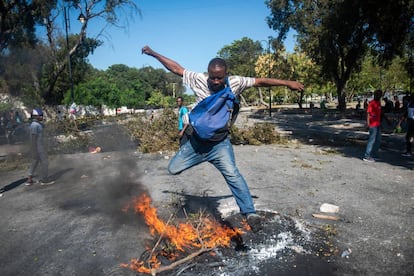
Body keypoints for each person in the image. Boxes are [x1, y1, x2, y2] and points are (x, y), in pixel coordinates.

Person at [141, 45, 304, 232]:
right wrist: (153, 53)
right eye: (213, 77)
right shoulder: (198, 80)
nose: (216, 81)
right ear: (207, 73)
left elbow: (260, 81)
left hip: (220, 145)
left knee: (233, 175)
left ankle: (250, 213)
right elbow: (176, 68)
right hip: (196, 144)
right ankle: (201, 157)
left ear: (226, 74)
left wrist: (287, 83)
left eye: (220, 77)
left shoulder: (235, 82)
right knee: (173, 169)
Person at [26, 108, 54, 185]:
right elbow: (33, 138)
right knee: (45, 162)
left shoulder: (37, 124)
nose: (42, 117)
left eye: (42, 115)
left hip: (39, 146)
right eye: (40, 115)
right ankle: (44, 179)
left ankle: (29, 179)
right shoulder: (35, 125)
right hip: (38, 147)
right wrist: (34, 150)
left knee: (35, 162)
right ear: (35, 116)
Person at [363, 89, 384, 162]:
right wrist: (368, 124)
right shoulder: (371, 103)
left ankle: (374, 154)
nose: (379, 96)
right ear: (375, 95)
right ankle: (367, 155)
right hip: (372, 124)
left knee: (378, 140)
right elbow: (368, 113)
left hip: (378, 124)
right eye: (378, 94)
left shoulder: (378, 103)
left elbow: (380, 114)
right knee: (371, 140)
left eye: (380, 95)